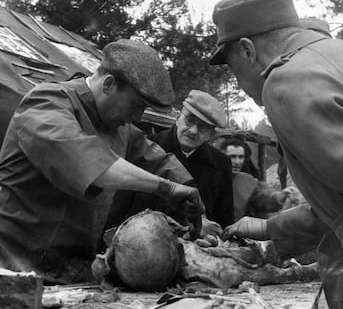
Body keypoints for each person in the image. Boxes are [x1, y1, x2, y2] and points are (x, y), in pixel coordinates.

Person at [210, 0, 343, 308]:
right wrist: (270, 227)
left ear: (248, 50)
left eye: (234, 71)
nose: (240, 84)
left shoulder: (287, 80)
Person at [0, 39, 204, 283]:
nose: (137, 117)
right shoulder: (46, 103)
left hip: (74, 272)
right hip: (13, 268)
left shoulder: (120, 128)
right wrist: (168, 188)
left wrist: (188, 192)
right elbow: (88, 162)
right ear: (108, 84)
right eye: (136, 105)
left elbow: (157, 159)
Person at [150, 90, 234, 231]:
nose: (193, 131)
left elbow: (223, 219)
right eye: (190, 120)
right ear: (178, 118)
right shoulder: (147, 147)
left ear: (211, 134)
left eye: (203, 127)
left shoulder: (221, 163)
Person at [220, 138, 258, 221]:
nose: (237, 162)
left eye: (241, 157)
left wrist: (279, 197)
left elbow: (263, 201)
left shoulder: (249, 181)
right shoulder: (209, 178)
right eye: (232, 157)